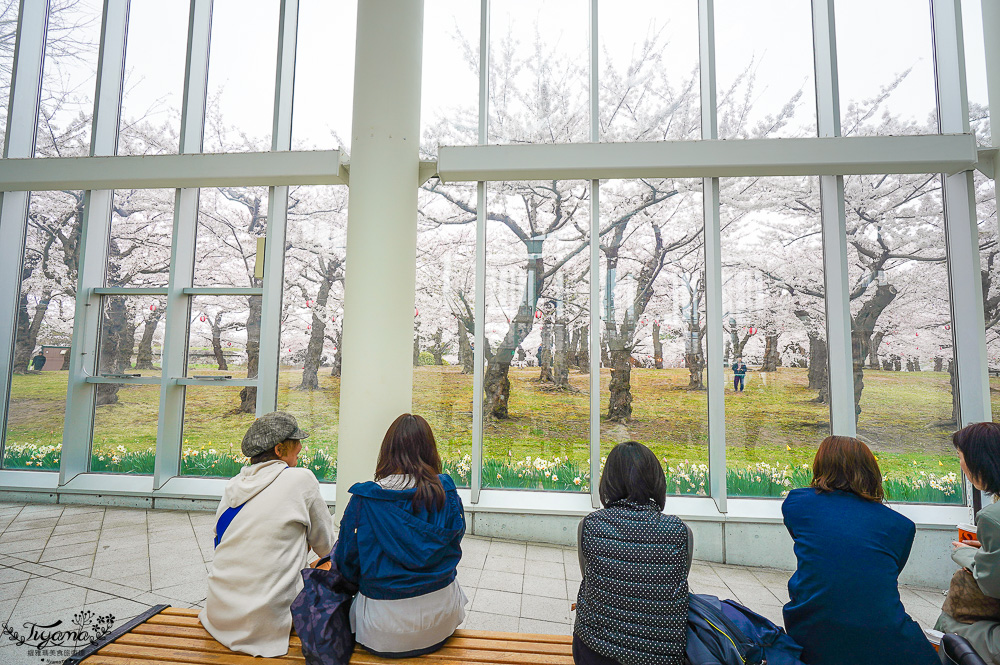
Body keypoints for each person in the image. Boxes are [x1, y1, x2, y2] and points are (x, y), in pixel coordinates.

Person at [782, 436, 938, 665]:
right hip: (888, 641)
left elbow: (814, 547)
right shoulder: (901, 526)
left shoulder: (797, 504)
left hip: (812, 634)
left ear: (820, 466)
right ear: (871, 471)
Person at [200, 411, 335, 658]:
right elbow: (327, 547)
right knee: (330, 568)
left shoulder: (233, 485)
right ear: (279, 450)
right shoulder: (301, 479)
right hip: (264, 624)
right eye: (296, 442)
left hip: (218, 615)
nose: (301, 447)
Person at [335, 414, 467, 658]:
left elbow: (346, 563)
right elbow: (455, 543)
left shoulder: (365, 501)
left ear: (387, 450)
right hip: (443, 616)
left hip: (383, 628)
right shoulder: (446, 492)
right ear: (430, 450)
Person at [573, 441, 691, 665]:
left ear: (608, 479)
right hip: (660, 659)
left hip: (595, 653)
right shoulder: (680, 532)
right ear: (656, 479)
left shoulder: (590, 525)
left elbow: (588, 579)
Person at [934, 422, 1000, 664]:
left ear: (980, 462)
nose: (960, 465)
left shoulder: (992, 517)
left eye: (960, 457)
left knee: (946, 624)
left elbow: (991, 584)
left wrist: (964, 555)